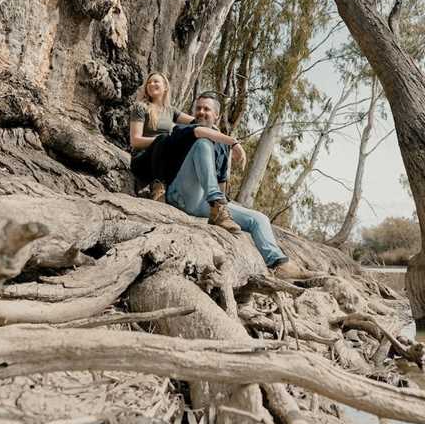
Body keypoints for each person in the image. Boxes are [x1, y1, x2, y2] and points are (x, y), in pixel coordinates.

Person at [166, 92, 313, 280]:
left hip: (202, 202)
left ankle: (278, 264)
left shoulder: (221, 146)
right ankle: (217, 206)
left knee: (259, 219)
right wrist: (234, 142)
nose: (201, 112)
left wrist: (225, 204)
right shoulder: (183, 130)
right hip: (179, 193)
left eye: (206, 109)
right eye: (198, 108)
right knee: (203, 144)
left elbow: (220, 181)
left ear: (216, 115)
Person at [128, 72, 195, 200]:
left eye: (155, 81)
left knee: (186, 138)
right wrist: (162, 141)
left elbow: (195, 123)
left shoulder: (171, 111)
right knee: (164, 138)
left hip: (165, 162)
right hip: (142, 161)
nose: (151, 84)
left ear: (165, 87)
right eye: (149, 82)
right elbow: (135, 141)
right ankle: (158, 188)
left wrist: (213, 127)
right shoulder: (140, 107)